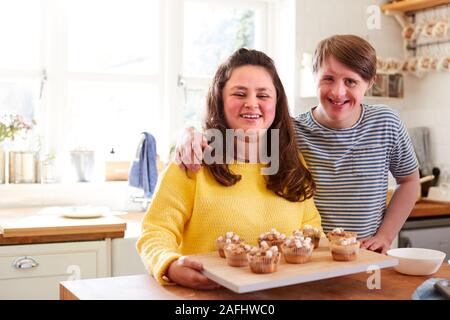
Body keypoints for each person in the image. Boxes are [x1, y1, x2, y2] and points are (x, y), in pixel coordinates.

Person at [176, 35, 420, 254]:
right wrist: (190, 134)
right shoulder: (290, 131)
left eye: (351, 82)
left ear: (370, 82)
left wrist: (385, 236)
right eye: (328, 78)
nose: (338, 91)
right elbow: (236, 139)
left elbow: (409, 181)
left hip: (367, 253)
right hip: (309, 257)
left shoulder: (386, 123)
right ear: (314, 76)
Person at [137, 48, 321, 290]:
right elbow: (156, 231)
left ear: (276, 103)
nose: (252, 104)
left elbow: (313, 233)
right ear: (220, 100)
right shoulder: (193, 162)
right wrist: (170, 264)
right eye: (239, 93)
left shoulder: (292, 165)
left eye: (263, 95)